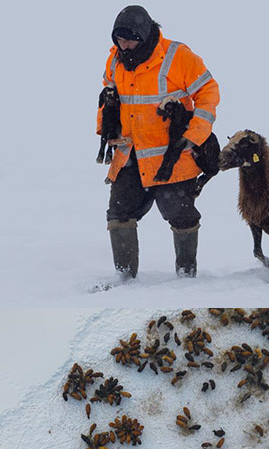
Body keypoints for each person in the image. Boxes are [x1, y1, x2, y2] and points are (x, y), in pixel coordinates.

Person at [99, 5, 219, 280]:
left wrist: (195, 134)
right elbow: (107, 92)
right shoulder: (115, 60)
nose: (124, 45)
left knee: (182, 217)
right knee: (119, 214)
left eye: (129, 39)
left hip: (173, 157)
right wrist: (105, 129)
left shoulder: (178, 56)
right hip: (130, 153)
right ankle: (125, 281)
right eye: (119, 39)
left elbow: (208, 91)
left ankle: (187, 278)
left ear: (144, 35)